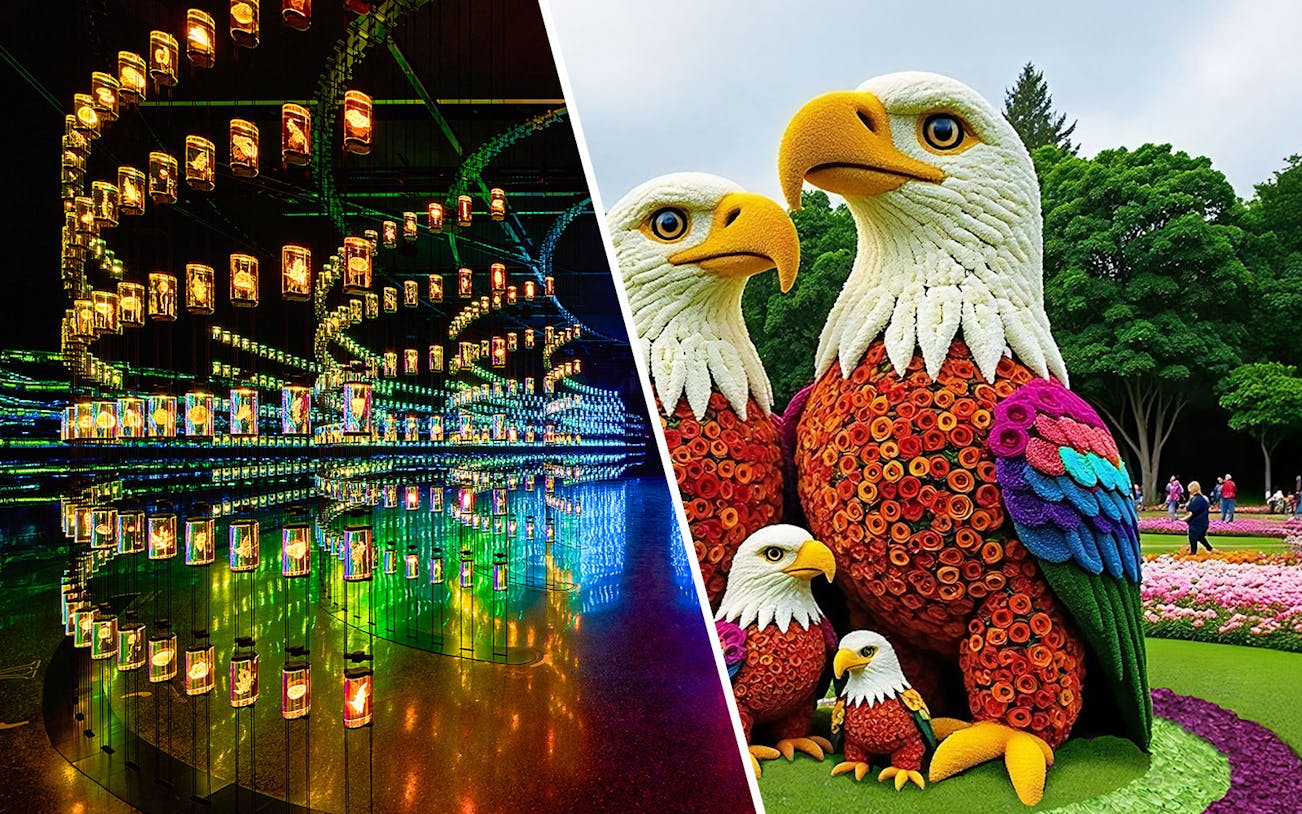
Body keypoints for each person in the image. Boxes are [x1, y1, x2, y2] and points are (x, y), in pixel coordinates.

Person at [1181, 481, 1213, 554]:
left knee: (1193, 536)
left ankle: (1193, 552)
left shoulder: (1198, 499)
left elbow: (1191, 508)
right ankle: (1209, 549)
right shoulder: (1203, 498)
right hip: (1203, 522)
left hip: (1197, 523)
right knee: (1200, 537)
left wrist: (1187, 505)